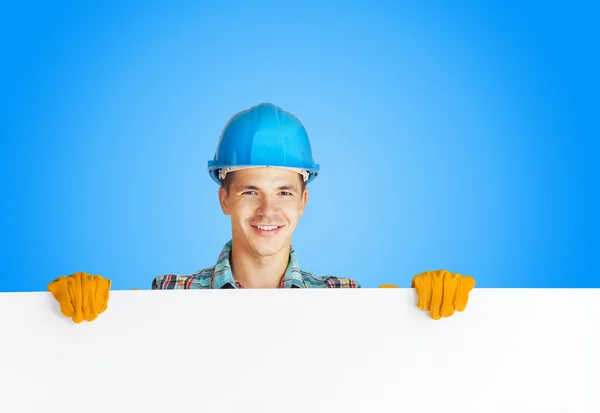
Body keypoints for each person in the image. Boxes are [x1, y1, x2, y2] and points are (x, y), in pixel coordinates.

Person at [48, 103, 475, 323]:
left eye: (285, 192)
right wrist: (73, 322)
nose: (268, 209)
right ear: (224, 199)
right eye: (250, 190)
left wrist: (416, 312)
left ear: (303, 202)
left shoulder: (345, 298)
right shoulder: (170, 296)